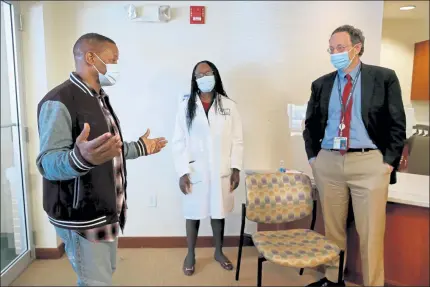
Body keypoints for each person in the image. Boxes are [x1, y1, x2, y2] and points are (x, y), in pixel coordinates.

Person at [36, 33, 168, 286]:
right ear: (90, 57)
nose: (116, 66)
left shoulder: (99, 98)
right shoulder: (59, 101)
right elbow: (48, 163)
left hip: (106, 209)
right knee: (95, 281)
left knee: (104, 274)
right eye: (113, 59)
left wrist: (139, 147)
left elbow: (106, 150)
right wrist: (78, 158)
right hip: (82, 215)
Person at [303, 25, 406, 287]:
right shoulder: (321, 84)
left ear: (357, 48)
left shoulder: (383, 78)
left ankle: (373, 284)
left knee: (371, 233)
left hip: (369, 163)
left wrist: (387, 163)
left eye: (340, 48)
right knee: (333, 230)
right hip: (329, 161)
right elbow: (311, 125)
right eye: (331, 48)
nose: (334, 53)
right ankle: (333, 279)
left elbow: (397, 124)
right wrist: (315, 158)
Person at [172, 60, 244, 276]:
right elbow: (178, 141)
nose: (204, 78)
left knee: (218, 212)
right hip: (195, 171)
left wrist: (236, 168)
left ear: (216, 75)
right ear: (194, 80)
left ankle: (219, 252)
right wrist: (182, 171)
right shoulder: (186, 106)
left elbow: (238, 140)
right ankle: (191, 253)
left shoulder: (229, 106)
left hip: (221, 169)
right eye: (199, 75)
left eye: (208, 73)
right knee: (193, 213)